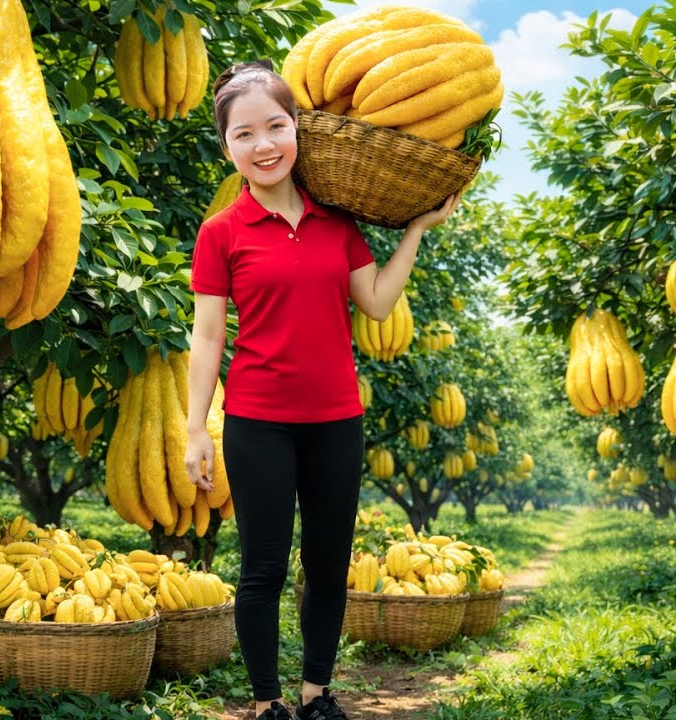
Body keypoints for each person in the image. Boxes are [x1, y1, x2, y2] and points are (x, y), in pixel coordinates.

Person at [183, 60, 460, 720]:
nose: (264, 145)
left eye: (276, 127)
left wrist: (416, 231)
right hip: (257, 420)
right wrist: (197, 427)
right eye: (244, 134)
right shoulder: (220, 232)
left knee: (329, 565)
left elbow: (378, 304)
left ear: (298, 131)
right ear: (227, 146)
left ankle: (315, 694)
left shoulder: (337, 222)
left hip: (337, 418)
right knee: (263, 569)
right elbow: (207, 338)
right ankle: (265, 703)